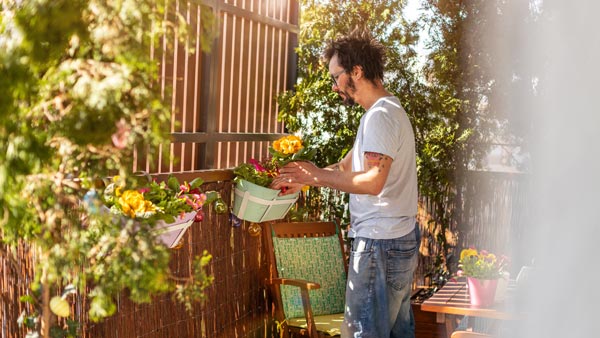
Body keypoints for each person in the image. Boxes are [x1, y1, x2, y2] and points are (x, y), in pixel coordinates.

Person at [271, 28, 420, 338]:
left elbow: (373, 181)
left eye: (335, 77)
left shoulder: (380, 116)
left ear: (356, 71)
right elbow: (346, 165)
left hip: (380, 243)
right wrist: (305, 181)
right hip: (395, 241)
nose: (334, 86)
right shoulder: (384, 112)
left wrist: (316, 174)